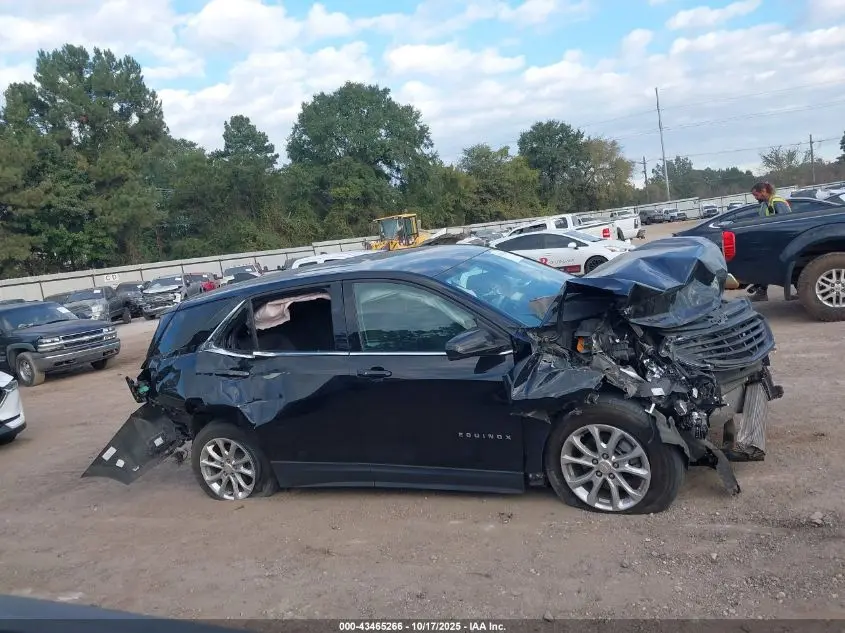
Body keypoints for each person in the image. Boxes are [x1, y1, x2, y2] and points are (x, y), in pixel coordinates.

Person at [746, 182, 792, 302]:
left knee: (768, 265)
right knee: (766, 265)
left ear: (763, 191)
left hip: (779, 241)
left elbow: (785, 221)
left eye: (756, 195)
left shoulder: (777, 202)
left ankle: (761, 291)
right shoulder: (767, 203)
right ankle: (761, 290)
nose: (755, 198)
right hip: (772, 240)